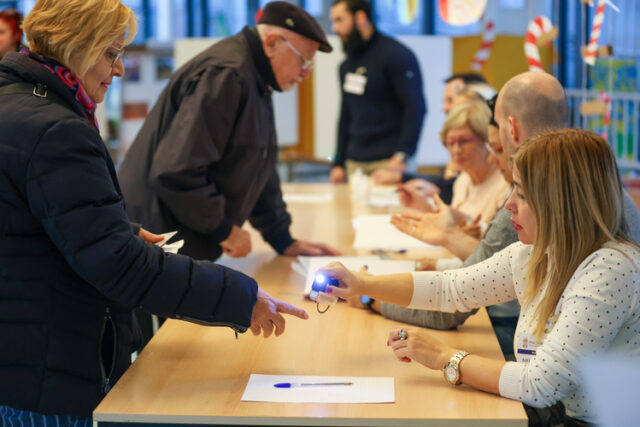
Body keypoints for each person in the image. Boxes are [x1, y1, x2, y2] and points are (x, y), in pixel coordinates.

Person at [0, 1, 309, 424]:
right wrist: (241, 296)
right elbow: (121, 266)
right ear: (77, 45)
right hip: (43, 371)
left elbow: (29, 217)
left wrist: (119, 229)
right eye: (111, 53)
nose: (120, 69)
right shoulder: (56, 128)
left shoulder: (20, 104)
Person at [321, 128, 640, 425]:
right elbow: (450, 288)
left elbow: (540, 385)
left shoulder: (610, 268)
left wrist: (446, 357)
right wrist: (361, 283)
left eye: (523, 195)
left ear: (563, 204)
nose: (509, 206)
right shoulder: (538, 253)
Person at [119, 2, 338, 263]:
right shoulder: (227, 75)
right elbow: (177, 171)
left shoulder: (255, 76)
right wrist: (223, 230)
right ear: (271, 43)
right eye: (304, 60)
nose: (305, 74)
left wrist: (282, 238)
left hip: (181, 242)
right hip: (158, 245)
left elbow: (258, 166)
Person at [328, 0, 426, 183]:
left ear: (360, 17)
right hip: (354, 161)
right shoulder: (347, 65)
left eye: (340, 20)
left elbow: (415, 107)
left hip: (389, 161)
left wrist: (404, 153)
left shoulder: (396, 55)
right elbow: (345, 114)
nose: (334, 28)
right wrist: (338, 162)